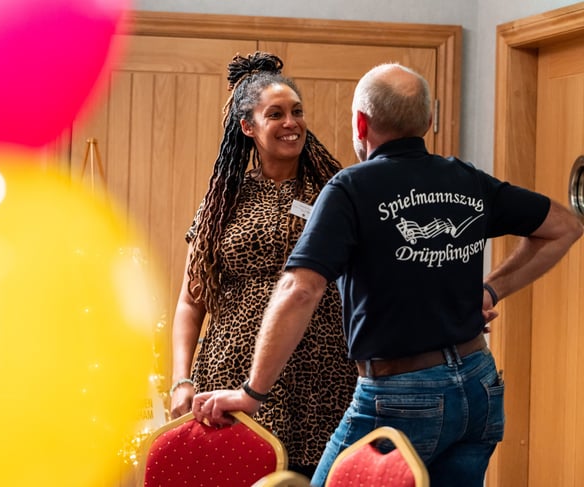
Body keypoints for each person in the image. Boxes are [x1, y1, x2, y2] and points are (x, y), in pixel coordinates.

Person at [191, 62, 584, 487]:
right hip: (478, 385)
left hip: (398, 396)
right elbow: (565, 226)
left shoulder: (350, 189)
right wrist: (493, 289)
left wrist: (252, 393)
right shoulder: (467, 179)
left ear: (360, 122)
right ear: (429, 122)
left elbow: (300, 289)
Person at [168, 51, 357, 477]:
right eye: (276, 114)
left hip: (322, 377)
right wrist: (181, 380)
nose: (291, 123)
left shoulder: (335, 193)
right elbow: (190, 301)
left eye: (297, 111)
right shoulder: (224, 200)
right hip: (230, 375)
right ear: (248, 127)